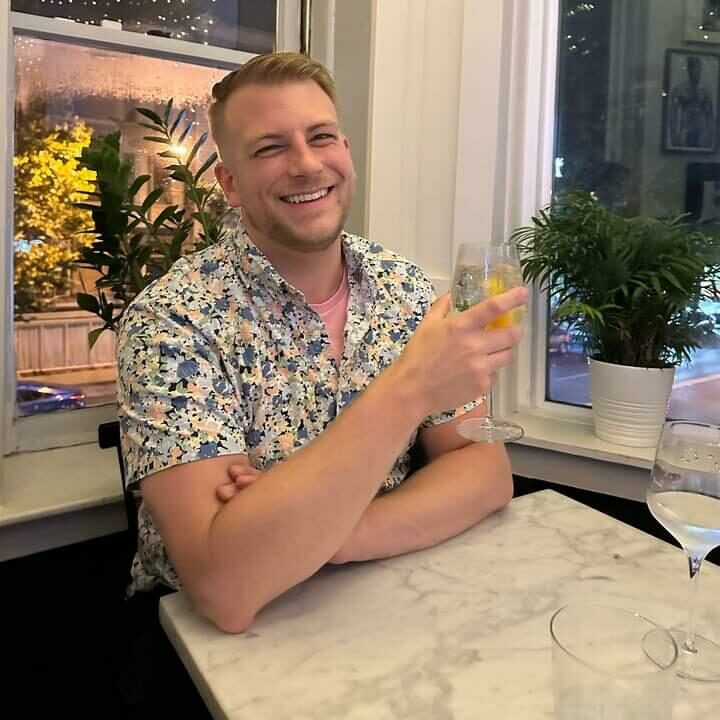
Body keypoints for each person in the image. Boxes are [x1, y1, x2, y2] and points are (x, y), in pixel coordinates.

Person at [117, 52, 527, 633]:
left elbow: (483, 470)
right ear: (230, 184)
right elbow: (227, 586)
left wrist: (320, 532)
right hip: (206, 651)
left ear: (346, 153)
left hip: (387, 606)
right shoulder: (173, 321)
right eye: (269, 148)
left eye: (321, 137)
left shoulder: (405, 289)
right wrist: (411, 389)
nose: (306, 164)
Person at [669, 55, 714, 150]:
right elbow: (673, 115)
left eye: (698, 69)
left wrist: (710, 135)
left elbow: (710, 116)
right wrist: (674, 134)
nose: (697, 72)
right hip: (685, 129)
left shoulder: (705, 92)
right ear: (689, 70)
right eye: (694, 68)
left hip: (701, 130)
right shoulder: (679, 90)